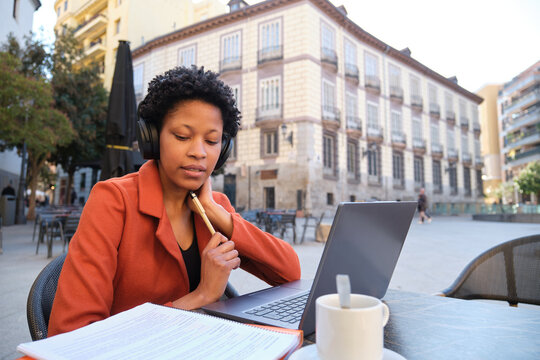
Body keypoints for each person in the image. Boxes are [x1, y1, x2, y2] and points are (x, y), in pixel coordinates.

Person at [48, 66, 301, 336]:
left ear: (224, 149)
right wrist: (201, 296)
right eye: (182, 136)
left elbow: (290, 272)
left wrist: (215, 213)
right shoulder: (113, 201)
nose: (198, 152)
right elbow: (71, 334)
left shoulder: (214, 207)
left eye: (212, 140)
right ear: (153, 139)